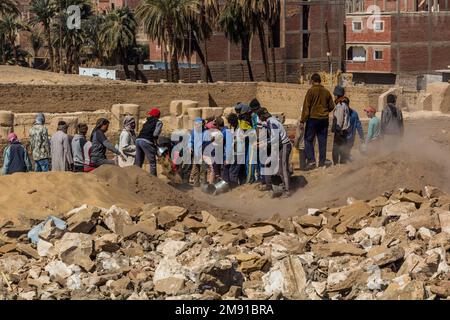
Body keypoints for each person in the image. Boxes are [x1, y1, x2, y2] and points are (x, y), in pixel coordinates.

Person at [300, 73, 335, 170]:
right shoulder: (327, 92)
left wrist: (302, 121)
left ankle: (311, 160)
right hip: (324, 120)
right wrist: (325, 112)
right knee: (322, 141)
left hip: (313, 119)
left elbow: (306, 107)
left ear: (312, 81)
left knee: (308, 139)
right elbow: (332, 106)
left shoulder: (310, 91)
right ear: (320, 81)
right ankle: (322, 162)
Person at [257, 108, 292, 197]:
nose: (259, 119)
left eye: (259, 117)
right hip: (281, 146)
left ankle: (288, 191)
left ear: (261, 116)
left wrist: (264, 144)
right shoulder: (272, 120)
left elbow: (276, 138)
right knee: (278, 168)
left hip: (284, 146)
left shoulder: (271, 122)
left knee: (282, 169)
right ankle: (282, 187)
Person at [135, 108, 163, 176]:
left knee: (138, 162)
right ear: (158, 115)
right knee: (152, 162)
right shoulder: (158, 122)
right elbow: (155, 134)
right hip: (146, 141)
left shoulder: (146, 121)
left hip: (138, 140)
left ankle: (136, 176)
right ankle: (154, 179)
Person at [331, 85, 351, 165]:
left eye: (335, 95)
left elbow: (339, 120)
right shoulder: (345, 105)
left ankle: (336, 163)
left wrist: (338, 130)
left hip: (340, 130)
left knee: (336, 147)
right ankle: (342, 162)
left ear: (337, 95)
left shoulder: (340, 106)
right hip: (345, 130)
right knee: (343, 146)